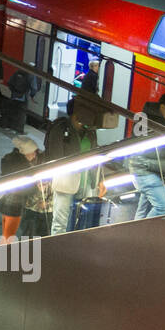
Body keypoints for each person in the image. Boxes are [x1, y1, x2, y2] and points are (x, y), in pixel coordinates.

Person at [44, 97, 104, 234]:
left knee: (83, 220)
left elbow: (96, 155)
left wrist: (100, 180)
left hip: (86, 182)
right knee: (60, 222)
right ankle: (58, 251)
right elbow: (54, 156)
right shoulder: (59, 128)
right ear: (74, 115)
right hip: (65, 182)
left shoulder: (89, 131)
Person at [129, 91, 165, 219]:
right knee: (164, 206)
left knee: (143, 210)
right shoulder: (143, 118)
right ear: (163, 107)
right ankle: (144, 234)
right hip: (144, 170)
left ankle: (137, 235)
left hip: (158, 170)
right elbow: (141, 148)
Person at [0, 135, 43, 241]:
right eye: (33, 152)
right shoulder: (23, 167)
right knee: (9, 235)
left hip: (6, 201)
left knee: (6, 232)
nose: (35, 155)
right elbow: (24, 187)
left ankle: (4, 252)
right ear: (25, 152)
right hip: (15, 205)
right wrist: (36, 188)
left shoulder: (9, 159)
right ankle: (5, 254)